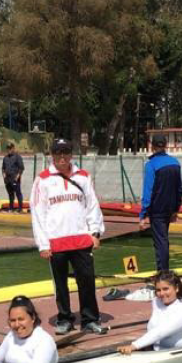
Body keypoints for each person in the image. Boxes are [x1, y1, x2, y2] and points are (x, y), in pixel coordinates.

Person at [30, 139, 107, 335]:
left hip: (81, 240)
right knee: (60, 284)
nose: (62, 156)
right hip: (56, 242)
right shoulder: (43, 179)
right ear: (52, 155)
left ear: (71, 154)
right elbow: (38, 213)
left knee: (87, 281)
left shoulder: (83, 177)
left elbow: (92, 206)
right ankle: (64, 318)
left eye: (65, 152)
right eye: (58, 152)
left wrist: (95, 233)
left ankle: (90, 319)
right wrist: (43, 244)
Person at [117, 271, 182, 354]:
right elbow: (153, 330)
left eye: (166, 289)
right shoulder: (156, 302)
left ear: (176, 288)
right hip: (159, 352)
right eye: (158, 290)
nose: (161, 293)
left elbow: (160, 332)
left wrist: (134, 346)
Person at [139, 134, 182, 271]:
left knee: (160, 242)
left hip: (157, 209)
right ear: (165, 145)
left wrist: (143, 215)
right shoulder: (175, 163)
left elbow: (148, 191)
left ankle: (163, 273)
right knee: (164, 239)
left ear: (152, 147)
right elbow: (179, 189)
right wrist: (176, 209)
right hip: (170, 208)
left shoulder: (151, 165)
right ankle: (164, 270)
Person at [1, 142, 26, 212]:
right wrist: (4, 176)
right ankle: (11, 208)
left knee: (18, 193)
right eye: (7, 148)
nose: (8, 150)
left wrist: (17, 176)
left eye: (10, 148)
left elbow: (22, 168)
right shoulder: (5, 158)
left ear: (13, 148)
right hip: (8, 180)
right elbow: (3, 168)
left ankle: (20, 208)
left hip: (15, 179)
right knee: (10, 194)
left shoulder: (17, 157)